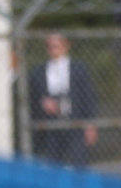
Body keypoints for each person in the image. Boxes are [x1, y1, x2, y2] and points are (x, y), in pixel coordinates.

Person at [29, 32, 97, 167]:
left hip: (75, 121)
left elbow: (88, 96)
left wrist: (90, 124)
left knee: (78, 162)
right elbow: (32, 97)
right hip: (50, 124)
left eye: (57, 45)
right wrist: (43, 103)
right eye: (50, 46)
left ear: (66, 46)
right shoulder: (38, 71)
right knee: (53, 163)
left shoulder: (78, 68)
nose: (53, 49)